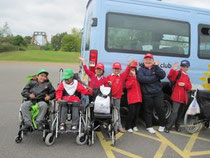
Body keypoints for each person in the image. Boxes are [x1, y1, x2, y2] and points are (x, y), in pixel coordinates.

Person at [137, 53, 167, 134]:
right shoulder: (141, 70)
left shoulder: (156, 68)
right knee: (148, 111)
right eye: (146, 59)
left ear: (153, 61)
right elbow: (141, 79)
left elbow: (163, 75)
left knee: (160, 108)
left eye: (150, 59)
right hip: (147, 94)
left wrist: (156, 67)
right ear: (143, 61)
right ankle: (149, 127)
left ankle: (162, 126)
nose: (148, 61)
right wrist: (154, 78)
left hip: (158, 93)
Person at [107, 60, 135, 133]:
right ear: (113, 69)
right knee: (109, 112)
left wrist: (129, 65)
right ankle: (109, 126)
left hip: (118, 98)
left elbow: (126, 71)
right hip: (110, 97)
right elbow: (105, 86)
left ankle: (119, 126)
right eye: (115, 68)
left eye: (118, 69)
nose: (116, 70)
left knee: (117, 112)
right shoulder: (109, 77)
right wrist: (108, 84)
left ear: (120, 70)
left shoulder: (122, 76)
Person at [165, 60, 192, 132]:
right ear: (181, 66)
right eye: (183, 66)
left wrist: (184, 85)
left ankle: (177, 126)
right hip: (176, 97)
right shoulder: (177, 73)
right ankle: (168, 127)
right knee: (174, 112)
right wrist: (173, 69)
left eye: (186, 67)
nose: (185, 68)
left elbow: (189, 87)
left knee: (180, 113)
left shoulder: (187, 76)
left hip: (184, 98)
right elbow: (170, 77)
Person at [125, 61, 142, 133]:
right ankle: (128, 126)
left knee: (137, 113)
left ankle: (134, 125)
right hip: (132, 98)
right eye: (131, 68)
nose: (133, 70)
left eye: (134, 69)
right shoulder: (128, 78)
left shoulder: (138, 77)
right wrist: (133, 77)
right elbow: (128, 86)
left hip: (139, 98)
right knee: (131, 113)